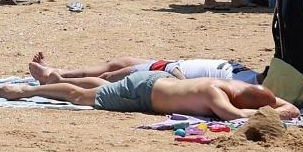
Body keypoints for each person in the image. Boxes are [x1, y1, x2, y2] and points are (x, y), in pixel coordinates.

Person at [0, 69, 299, 120]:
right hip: (143, 92)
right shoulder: (215, 95)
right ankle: (25, 91)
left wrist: (283, 108)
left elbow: (279, 104)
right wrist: (279, 112)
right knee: (80, 95)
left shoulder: (236, 86)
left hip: (159, 80)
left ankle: (56, 77)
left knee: (101, 83)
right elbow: (236, 116)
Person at [27, 51, 260, 85]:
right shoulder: (248, 75)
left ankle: (59, 81)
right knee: (118, 64)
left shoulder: (243, 83)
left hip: (170, 72)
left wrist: (182, 84)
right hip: (171, 66)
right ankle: (58, 71)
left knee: (110, 77)